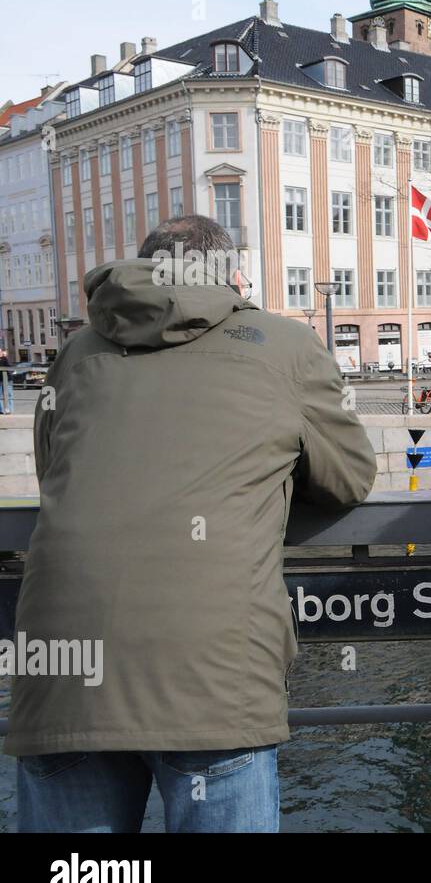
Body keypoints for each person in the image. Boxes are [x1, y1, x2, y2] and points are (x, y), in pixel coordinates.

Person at [4, 215, 377, 833]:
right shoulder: (284, 344)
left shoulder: (75, 352)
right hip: (213, 674)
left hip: (63, 671)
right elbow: (349, 477)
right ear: (233, 278)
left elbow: (56, 475)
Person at [0, 349, 12, 415]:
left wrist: (5, 357)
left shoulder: (5, 358)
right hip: (0, 380)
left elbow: (10, 366)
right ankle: (1, 410)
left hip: (7, 379)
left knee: (9, 395)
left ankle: (9, 410)